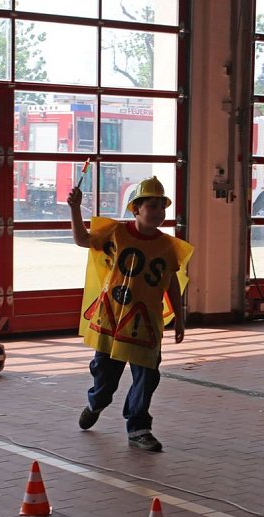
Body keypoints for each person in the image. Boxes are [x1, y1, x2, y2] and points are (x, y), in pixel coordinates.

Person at [67, 176, 194, 452]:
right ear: (136, 209)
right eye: (152, 205)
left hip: (147, 323)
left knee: (147, 376)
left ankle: (138, 427)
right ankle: (96, 402)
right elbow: (81, 240)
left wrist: (180, 316)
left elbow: (171, 280)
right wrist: (75, 209)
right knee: (105, 374)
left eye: (162, 207)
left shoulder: (167, 246)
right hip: (113, 319)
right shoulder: (116, 233)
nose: (158, 212)